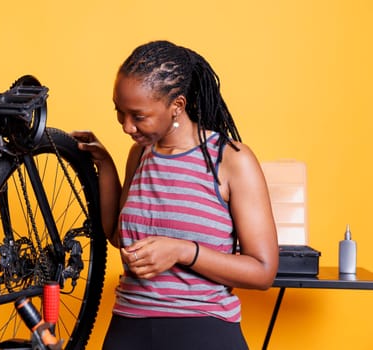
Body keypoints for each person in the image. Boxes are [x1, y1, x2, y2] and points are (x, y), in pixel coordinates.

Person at [71, 40, 278, 350]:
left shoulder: (231, 159)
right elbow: (117, 235)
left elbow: (262, 272)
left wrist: (183, 251)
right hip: (128, 329)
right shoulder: (140, 154)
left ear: (177, 106)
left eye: (138, 116)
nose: (127, 126)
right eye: (119, 112)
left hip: (203, 331)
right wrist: (105, 165)